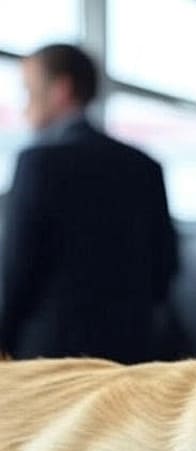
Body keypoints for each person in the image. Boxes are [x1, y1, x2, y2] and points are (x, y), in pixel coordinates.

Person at [0, 43, 180, 362]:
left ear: (61, 90)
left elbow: (16, 274)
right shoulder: (145, 167)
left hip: (51, 364)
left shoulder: (39, 163)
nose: (24, 108)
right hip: (132, 359)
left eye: (29, 93)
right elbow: (165, 269)